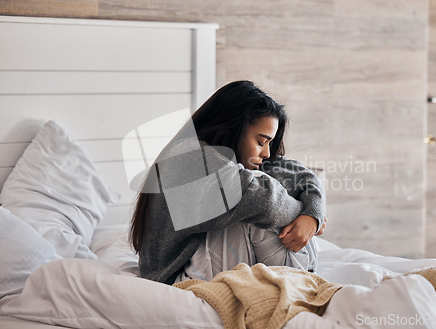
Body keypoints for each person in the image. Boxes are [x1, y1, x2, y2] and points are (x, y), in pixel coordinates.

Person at [130, 80, 327, 284]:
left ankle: (298, 275)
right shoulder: (190, 159)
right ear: (233, 128)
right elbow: (264, 202)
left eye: (269, 143)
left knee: (261, 184)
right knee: (256, 191)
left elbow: (301, 174)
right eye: (260, 142)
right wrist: (303, 213)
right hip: (175, 277)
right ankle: (298, 278)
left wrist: (313, 215)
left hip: (198, 264)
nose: (267, 152)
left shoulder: (230, 157)